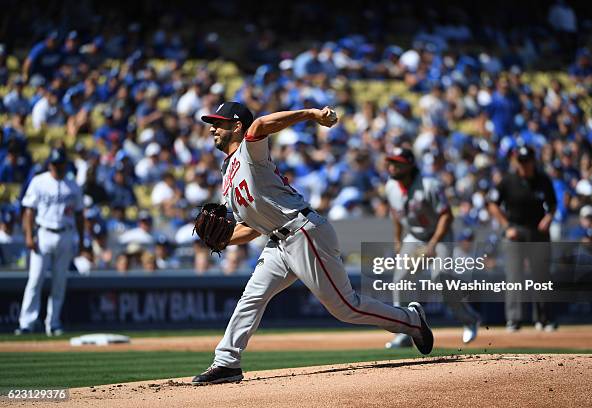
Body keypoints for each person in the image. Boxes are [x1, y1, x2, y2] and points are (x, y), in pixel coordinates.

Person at [192, 102, 433, 385]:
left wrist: (311, 114)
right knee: (251, 297)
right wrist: (222, 240)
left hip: (303, 232)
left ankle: (412, 320)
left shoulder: (249, 151)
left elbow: (258, 127)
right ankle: (227, 362)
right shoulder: (227, 173)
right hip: (277, 242)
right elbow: (253, 228)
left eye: (218, 123)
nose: (212, 129)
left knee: (346, 308)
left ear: (236, 126)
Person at [384, 147, 481, 347]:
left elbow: (447, 215)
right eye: (390, 162)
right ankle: (404, 332)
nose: (392, 166)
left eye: (397, 162)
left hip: (440, 234)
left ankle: (469, 319)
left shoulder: (429, 185)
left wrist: (433, 244)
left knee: (441, 277)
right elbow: (396, 213)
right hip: (415, 235)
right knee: (400, 279)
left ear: (409, 165)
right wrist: (397, 238)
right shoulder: (390, 187)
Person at [487, 146, 557, 332]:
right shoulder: (508, 181)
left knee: (541, 276)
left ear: (534, 161)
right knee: (514, 277)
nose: (524, 164)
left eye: (527, 160)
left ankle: (543, 319)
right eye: (521, 161)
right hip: (515, 232)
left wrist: (549, 217)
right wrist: (506, 226)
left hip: (538, 232)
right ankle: (514, 320)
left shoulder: (543, 180)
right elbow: (492, 203)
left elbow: (552, 204)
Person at [15, 148, 84, 336]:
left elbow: (79, 214)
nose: (58, 167)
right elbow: (29, 210)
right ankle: (26, 323)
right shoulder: (39, 182)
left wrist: (82, 239)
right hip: (43, 233)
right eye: (55, 164)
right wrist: (28, 235)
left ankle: (53, 323)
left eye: (61, 164)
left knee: (59, 282)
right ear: (50, 164)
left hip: (66, 233)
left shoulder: (73, 185)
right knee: (35, 279)